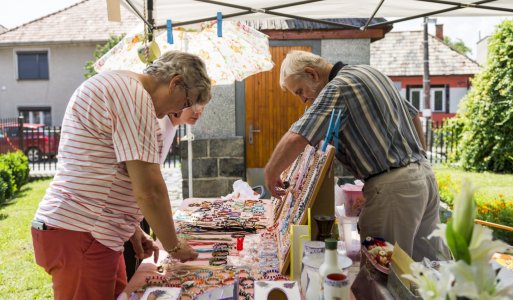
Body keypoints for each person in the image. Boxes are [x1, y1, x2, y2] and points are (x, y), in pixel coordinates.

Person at [31, 51, 211, 299]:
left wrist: (131, 228)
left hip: (89, 231)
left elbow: (109, 168)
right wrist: (174, 246)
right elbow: (150, 190)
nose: (182, 109)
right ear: (175, 83)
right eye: (187, 101)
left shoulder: (123, 88)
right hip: (83, 231)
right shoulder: (133, 95)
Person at [264, 50, 445, 261]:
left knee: (383, 277)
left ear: (312, 74)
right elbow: (413, 115)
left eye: (300, 91)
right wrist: (418, 158)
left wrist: (271, 172)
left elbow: (298, 135)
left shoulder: (338, 87)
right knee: (431, 269)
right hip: (423, 178)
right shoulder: (369, 72)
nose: (304, 99)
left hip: (394, 190)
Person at [124, 105, 205, 280]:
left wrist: (134, 226)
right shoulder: (159, 125)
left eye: (203, 105)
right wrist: (173, 246)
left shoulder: (170, 126)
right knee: (129, 276)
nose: (198, 110)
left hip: (129, 216)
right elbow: (148, 190)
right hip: (119, 216)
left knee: (133, 273)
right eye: (193, 103)